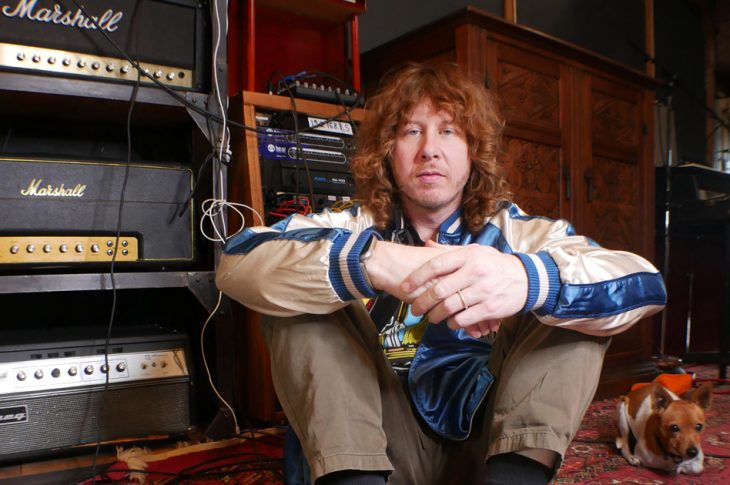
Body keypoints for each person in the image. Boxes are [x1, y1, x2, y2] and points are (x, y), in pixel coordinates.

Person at [216, 62, 667, 485]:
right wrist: (370, 262)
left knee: (570, 292)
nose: (429, 149)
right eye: (412, 131)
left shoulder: (520, 232)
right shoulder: (350, 225)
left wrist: (528, 282)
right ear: (388, 150)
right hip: (373, 447)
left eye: (449, 131)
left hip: (489, 447)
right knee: (296, 282)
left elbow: (646, 284)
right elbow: (235, 261)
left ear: (474, 152)